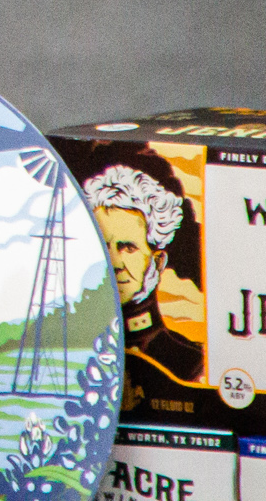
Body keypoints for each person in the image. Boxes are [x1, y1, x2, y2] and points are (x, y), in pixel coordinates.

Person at [85, 164, 209, 406]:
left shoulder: (190, 362)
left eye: (128, 248)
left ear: (158, 261)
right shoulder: (70, 351)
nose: (114, 263)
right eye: (102, 245)